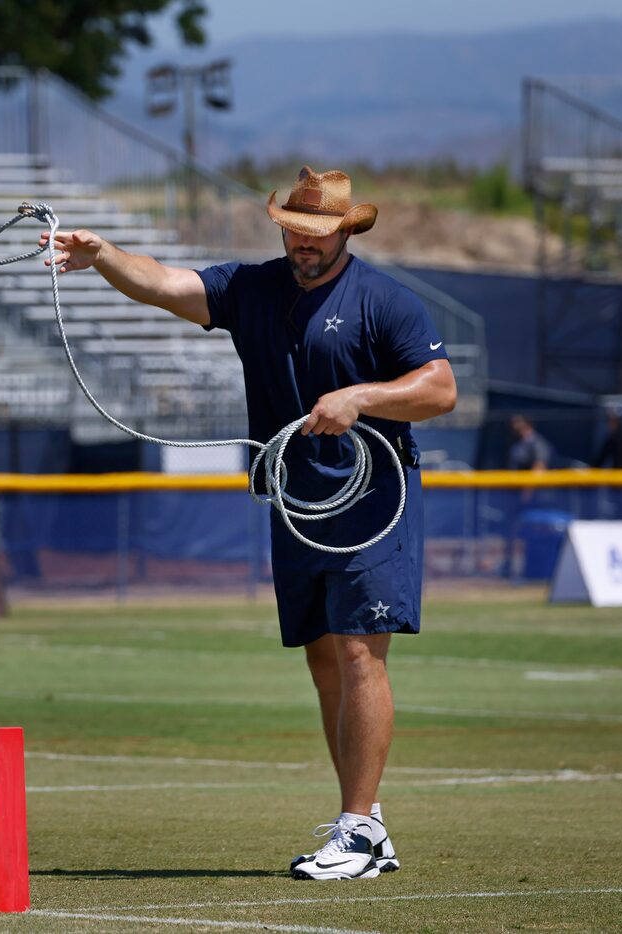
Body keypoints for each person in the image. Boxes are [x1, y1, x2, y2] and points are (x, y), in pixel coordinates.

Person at [43, 166, 456, 880]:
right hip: (296, 504)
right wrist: (103, 256)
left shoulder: (384, 301)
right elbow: (164, 283)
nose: (303, 244)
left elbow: (441, 390)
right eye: (294, 230)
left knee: (361, 653)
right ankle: (369, 821)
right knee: (323, 657)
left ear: (345, 232)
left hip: (372, 505)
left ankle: (356, 830)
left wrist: (360, 396)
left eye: (317, 234)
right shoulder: (253, 287)